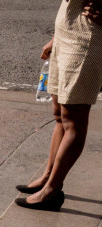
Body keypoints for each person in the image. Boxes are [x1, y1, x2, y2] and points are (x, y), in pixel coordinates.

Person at [16, 0, 102, 211]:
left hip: (87, 38)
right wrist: (56, 38)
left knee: (74, 120)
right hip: (66, 33)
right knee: (59, 115)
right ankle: (48, 177)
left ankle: (52, 191)